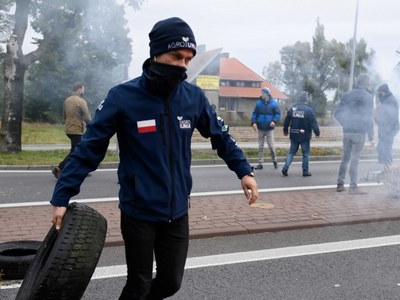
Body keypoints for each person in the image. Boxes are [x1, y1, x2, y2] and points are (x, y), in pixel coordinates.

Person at [49, 17, 258, 299]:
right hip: (139, 212)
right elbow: (88, 148)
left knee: (171, 282)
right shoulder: (122, 97)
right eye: (176, 56)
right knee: (138, 284)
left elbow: (221, 136)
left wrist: (244, 170)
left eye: (188, 59)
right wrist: (62, 195)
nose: (183, 65)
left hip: (177, 211)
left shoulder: (193, 97)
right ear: (156, 54)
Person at [334, 74, 374, 194]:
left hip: (347, 131)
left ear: (357, 82)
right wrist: (371, 136)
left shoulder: (346, 95)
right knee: (355, 160)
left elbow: (337, 113)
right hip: (360, 132)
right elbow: (368, 118)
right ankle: (353, 187)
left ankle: (340, 184)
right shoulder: (368, 97)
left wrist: (345, 124)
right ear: (367, 84)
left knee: (345, 158)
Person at [51, 83, 91, 179]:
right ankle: (59, 168)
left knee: (79, 150)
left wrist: (77, 121)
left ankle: (80, 170)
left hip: (69, 129)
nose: (83, 91)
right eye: (83, 89)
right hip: (76, 130)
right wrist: (91, 125)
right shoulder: (81, 101)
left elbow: (65, 115)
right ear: (79, 89)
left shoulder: (67, 100)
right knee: (76, 151)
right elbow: (87, 116)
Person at [281, 91, 320, 177]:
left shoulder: (293, 108)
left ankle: (285, 168)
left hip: (294, 134)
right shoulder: (308, 110)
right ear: (306, 99)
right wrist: (317, 132)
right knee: (305, 154)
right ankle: (305, 171)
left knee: (291, 152)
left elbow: (287, 120)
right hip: (304, 135)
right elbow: (313, 122)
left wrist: (285, 130)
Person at [251, 87, 281, 170]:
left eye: (263, 93)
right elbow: (254, 114)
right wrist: (253, 122)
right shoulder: (258, 103)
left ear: (267, 94)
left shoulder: (274, 103)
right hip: (260, 128)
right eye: (262, 93)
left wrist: (274, 121)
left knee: (271, 146)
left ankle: (274, 160)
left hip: (269, 129)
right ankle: (260, 163)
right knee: (260, 146)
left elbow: (278, 114)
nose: (262, 94)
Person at [374, 84, 399, 169]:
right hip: (385, 128)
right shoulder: (386, 100)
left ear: (384, 92)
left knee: (387, 149)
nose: (379, 95)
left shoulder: (390, 101)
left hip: (388, 129)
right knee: (381, 148)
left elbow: (391, 117)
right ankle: (386, 167)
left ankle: (389, 168)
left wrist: (387, 130)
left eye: (380, 93)